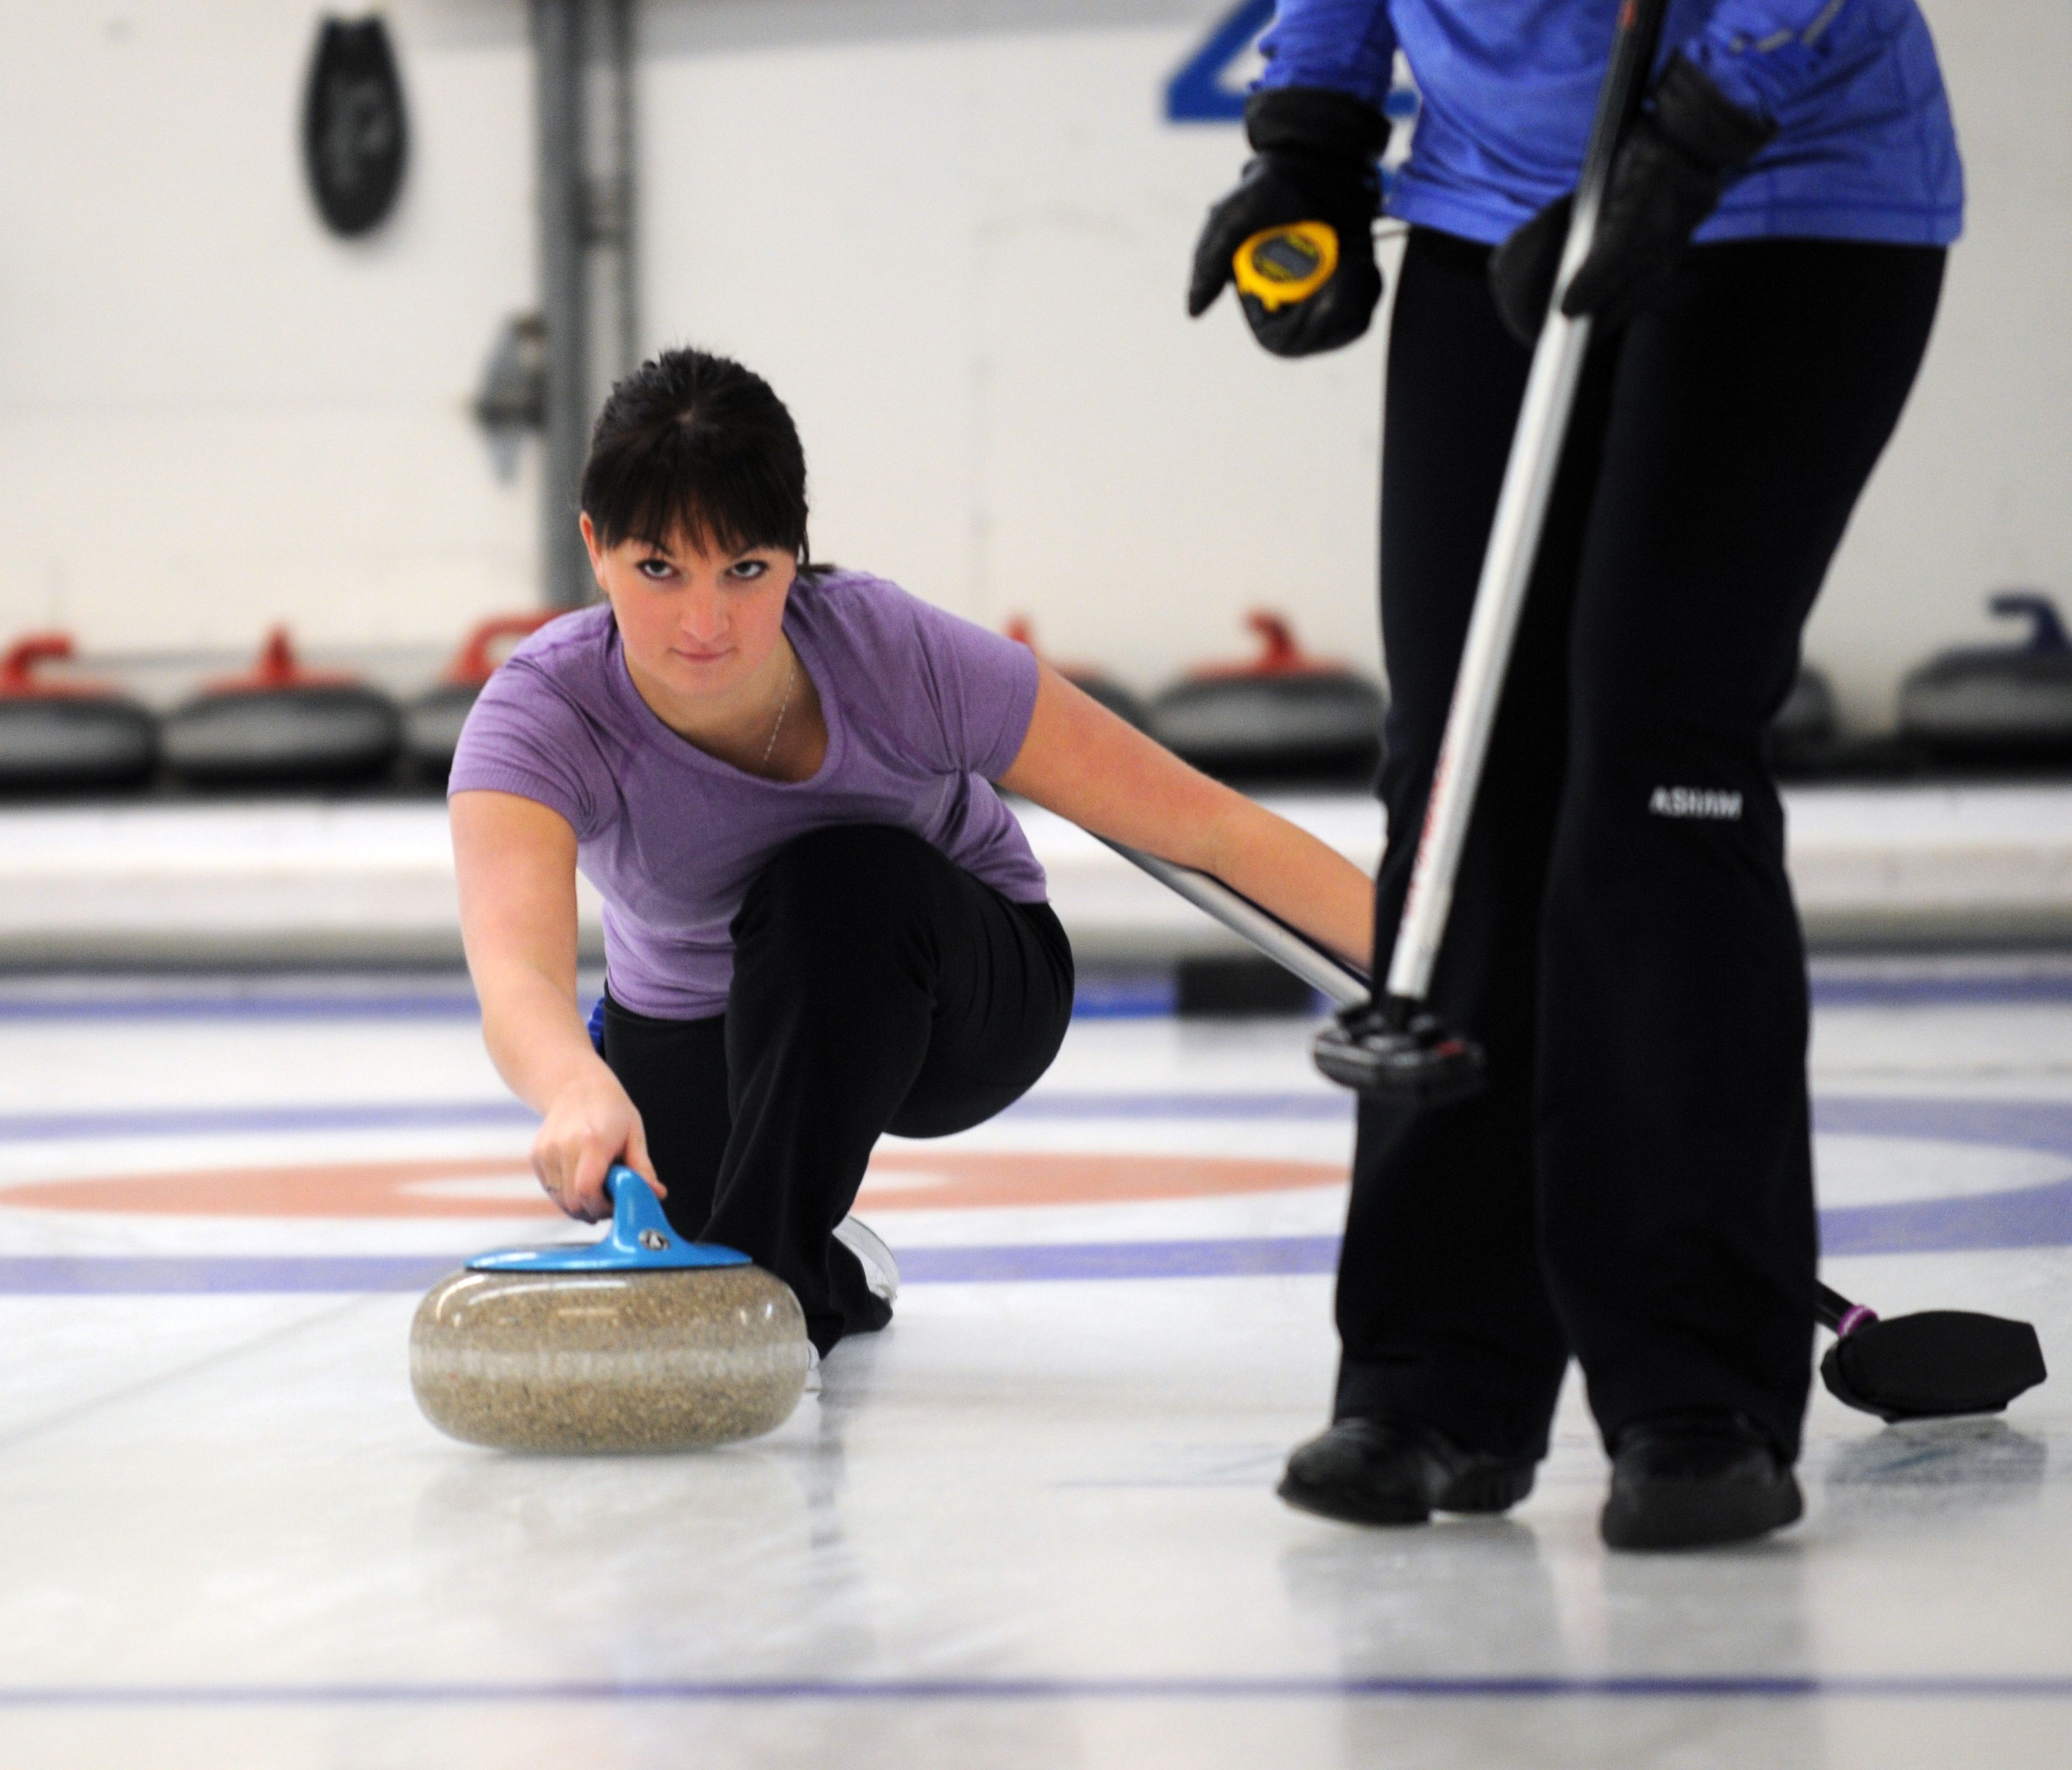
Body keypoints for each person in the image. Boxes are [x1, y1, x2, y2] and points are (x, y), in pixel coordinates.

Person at [1187, 0, 1960, 1548]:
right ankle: (1429, 1380)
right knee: (1458, 776)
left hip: (1779, 190)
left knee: (1655, 759)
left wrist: (1687, 140)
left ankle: (1696, 1392)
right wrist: (1313, 141)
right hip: (1488, 215)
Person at [449, 349, 1373, 1355]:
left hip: (955, 999)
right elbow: (519, 976)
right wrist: (577, 1086)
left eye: (746, 571)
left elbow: (1212, 829)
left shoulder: (893, 653)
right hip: (701, 1024)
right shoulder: (540, 713)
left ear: (797, 554)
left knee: (833, 880)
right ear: (596, 547)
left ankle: (770, 1306)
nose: (705, 624)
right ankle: (819, 1254)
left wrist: (1443, 981)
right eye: (659, 570)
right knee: (695, 1232)